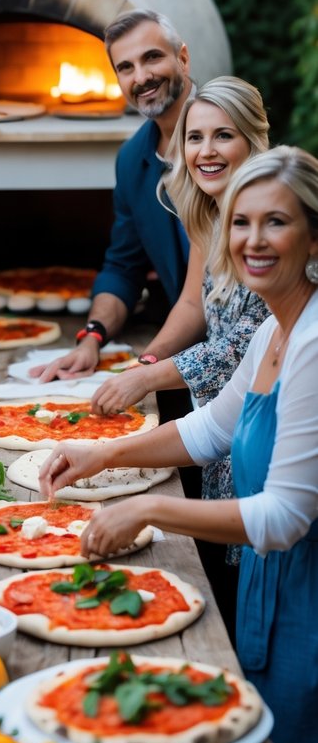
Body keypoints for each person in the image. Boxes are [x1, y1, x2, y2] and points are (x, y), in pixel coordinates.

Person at [38, 146, 318, 743]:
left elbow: (286, 516)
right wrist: (100, 454)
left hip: (306, 599)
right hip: (265, 589)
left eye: (277, 222)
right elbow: (210, 428)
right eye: (242, 222)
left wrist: (146, 507)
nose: (254, 240)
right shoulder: (277, 329)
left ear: (315, 236)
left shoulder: (313, 344)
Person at [88, 77, 271, 636]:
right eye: (195, 138)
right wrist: (143, 366)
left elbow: (244, 349)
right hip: (216, 424)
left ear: (254, 141)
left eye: (224, 136)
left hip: (261, 433)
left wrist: (149, 379)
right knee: (223, 596)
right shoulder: (208, 214)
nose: (206, 151)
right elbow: (194, 304)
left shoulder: (268, 229)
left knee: (252, 598)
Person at [36, 9, 194, 382]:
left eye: (152, 57)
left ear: (183, 58)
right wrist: (91, 337)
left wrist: (146, 365)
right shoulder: (130, 160)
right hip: (179, 354)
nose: (142, 77)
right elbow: (124, 265)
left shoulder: (224, 142)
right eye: (126, 67)